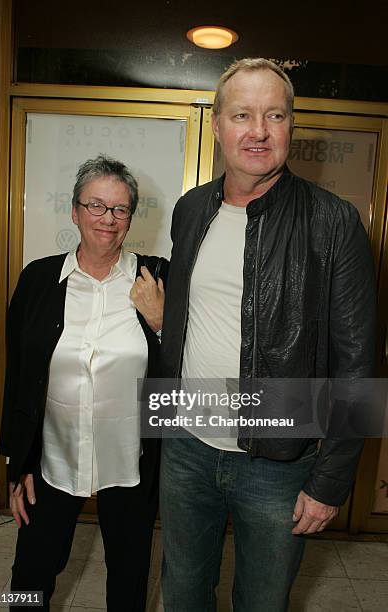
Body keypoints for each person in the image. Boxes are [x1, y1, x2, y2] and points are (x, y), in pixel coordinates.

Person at [159, 58, 376, 611]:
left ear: (291, 127)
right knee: (183, 592)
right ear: (217, 125)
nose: (257, 130)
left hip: (278, 459)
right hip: (186, 448)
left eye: (274, 115)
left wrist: (331, 479)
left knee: (261, 602)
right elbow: (191, 322)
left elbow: (358, 363)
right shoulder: (190, 211)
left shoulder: (333, 221)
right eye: (242, 114)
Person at [0, 154, 167, 611]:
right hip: (54, 455)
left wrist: (160, 323)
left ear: (131, 217)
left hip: (130, 461)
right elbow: (20, 378)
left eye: (119, 209)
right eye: (96, 206)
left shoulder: (157, 276)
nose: (107, 219)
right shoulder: (38, 278)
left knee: (130, 576)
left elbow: (186, 369)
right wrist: (17, 466)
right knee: (30, 574)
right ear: (74, 211)